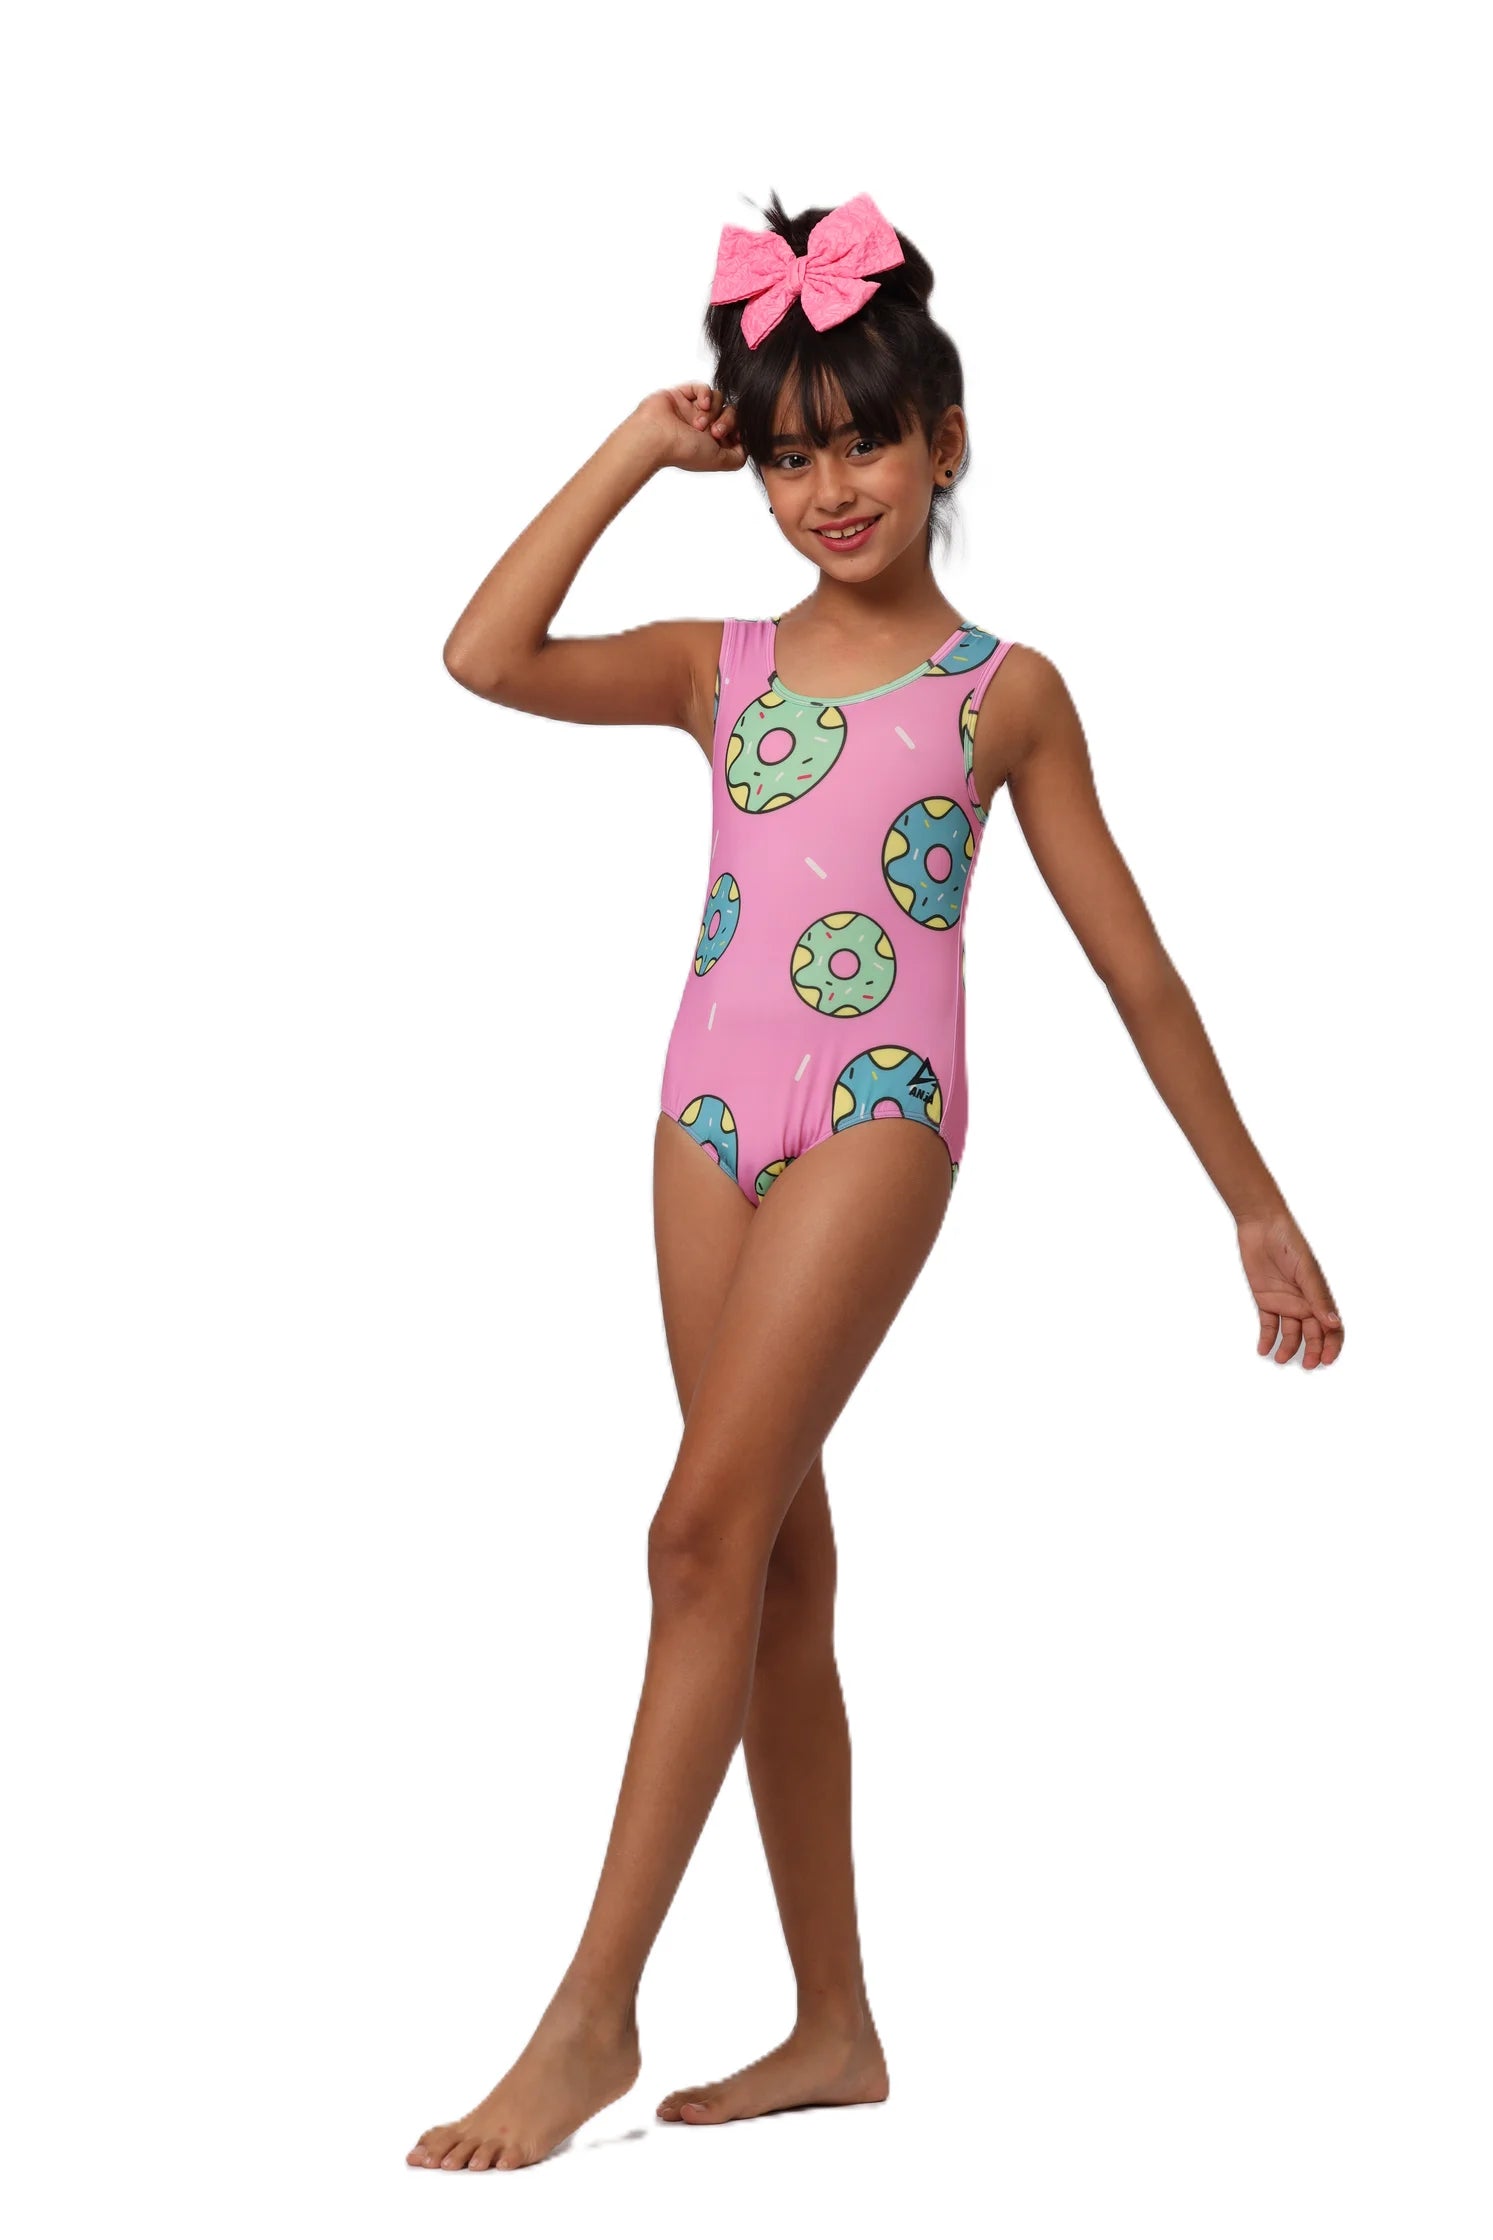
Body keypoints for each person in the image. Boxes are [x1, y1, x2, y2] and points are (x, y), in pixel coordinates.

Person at [410, 189, 1345, 2175]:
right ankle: (834, 2024)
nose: (830, 489)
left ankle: (590, 2014)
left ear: (945, 442)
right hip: (701, 1111)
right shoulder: (720, 665)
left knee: (693, 1535)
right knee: (772, 1566)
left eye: (866, 443)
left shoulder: (1005, 693)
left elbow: (1137, 966)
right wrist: (635, 446)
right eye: (790, 454)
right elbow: (483, 655)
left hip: (879, 1107)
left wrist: (1251, 1201)